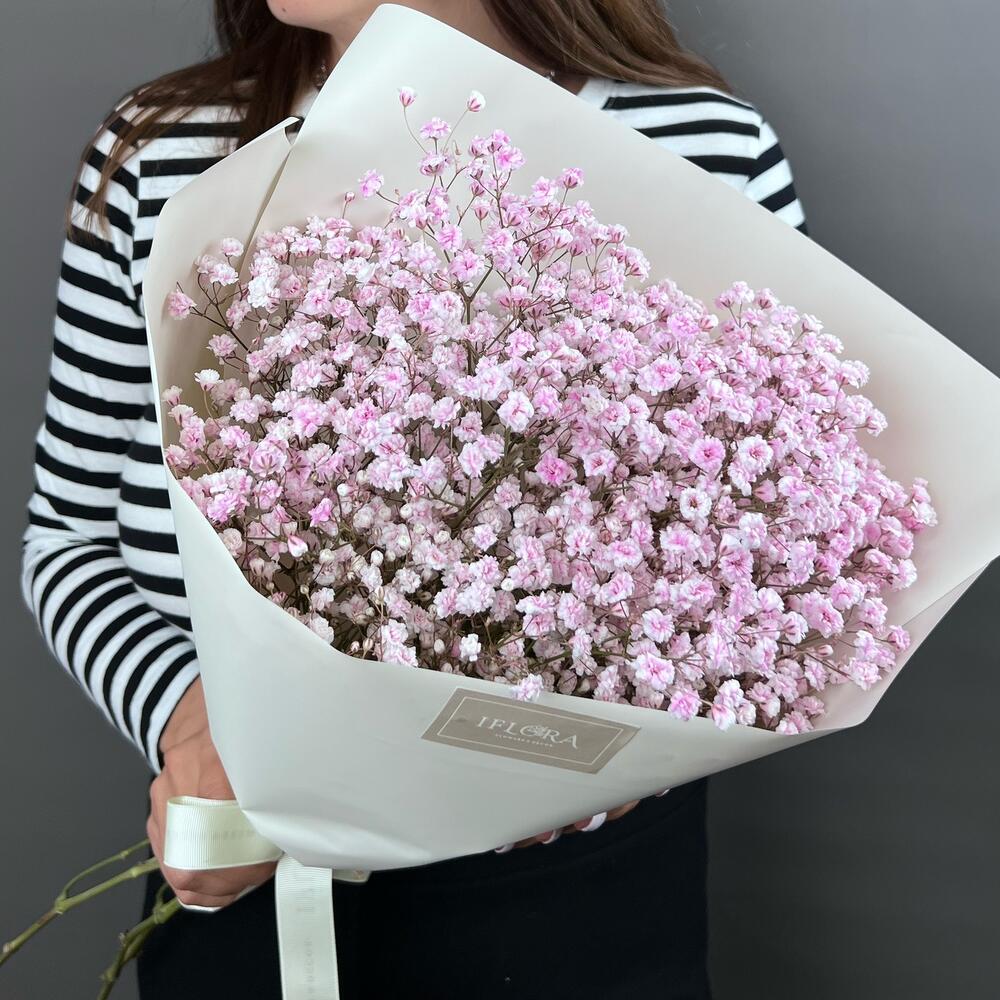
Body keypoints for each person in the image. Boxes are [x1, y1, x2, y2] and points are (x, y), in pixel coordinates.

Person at [20, 1, 807, 997]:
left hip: (574, 911)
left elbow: (775, 561)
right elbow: (68, 538)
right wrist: (197, 726)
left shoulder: (698, 149)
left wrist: (598, 748)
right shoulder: (167, 154)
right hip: (246, 873)